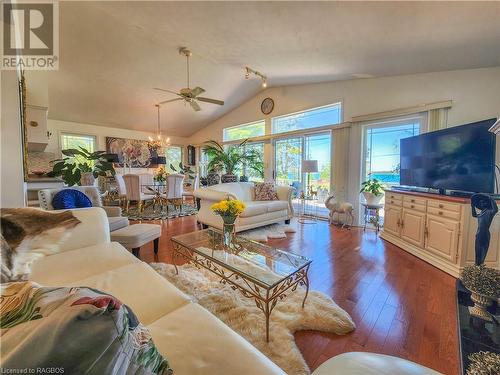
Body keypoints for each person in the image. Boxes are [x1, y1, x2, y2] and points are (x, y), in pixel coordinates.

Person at [471, 193, 498, 265]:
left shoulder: (490, 212)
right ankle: (477, 264)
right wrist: (472, 206)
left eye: (484, 202)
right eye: (481, 202)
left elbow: (496, 209)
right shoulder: (481, 214)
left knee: (483, 249)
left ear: (487, 203)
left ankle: (481, 263)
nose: (482, 203)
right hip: (479, 233)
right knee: (477, 249)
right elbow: (474, 214)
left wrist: (490, 198)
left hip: (485, 233)